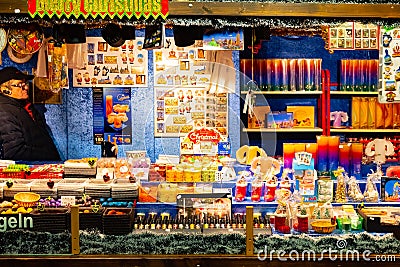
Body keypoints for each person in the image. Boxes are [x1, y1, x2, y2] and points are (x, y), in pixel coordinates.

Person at [0, 67, 60, 161]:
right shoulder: (4, 111)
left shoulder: (25, 106)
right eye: (20, 84)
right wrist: (48, 155)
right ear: (5, 90)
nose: (26, 87)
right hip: (31, 170)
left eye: (25, 83)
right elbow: (14, 151)